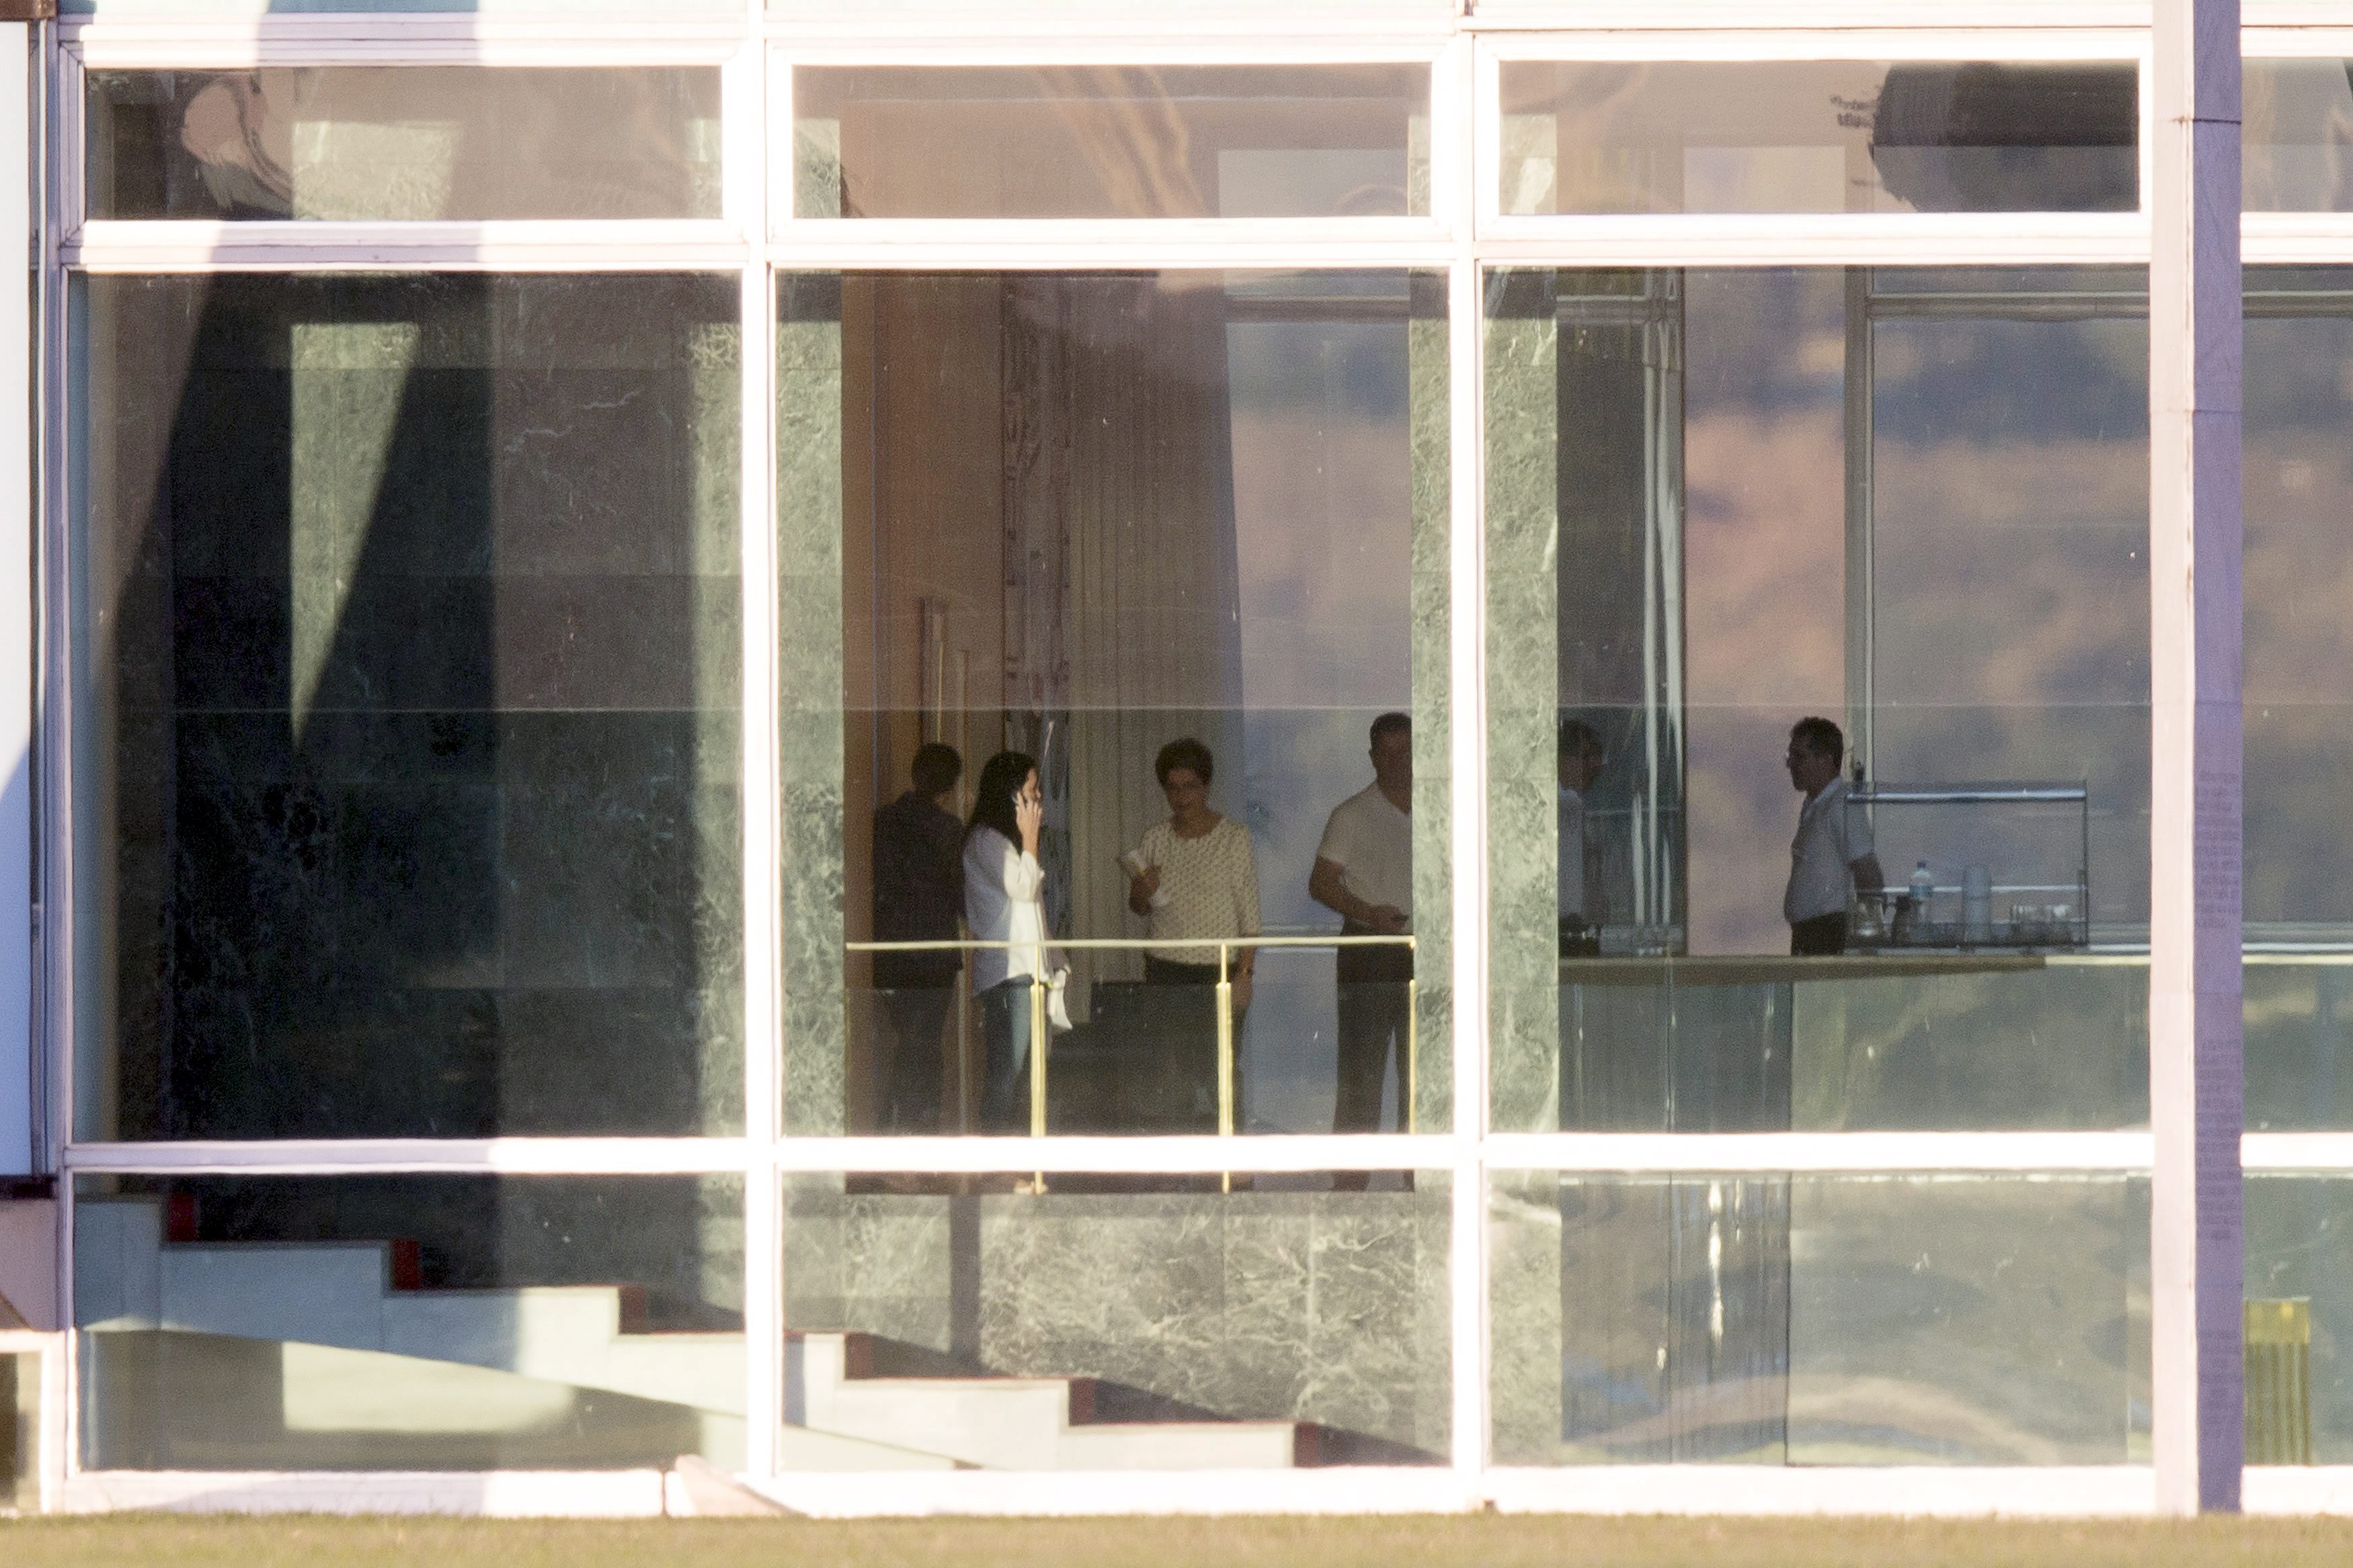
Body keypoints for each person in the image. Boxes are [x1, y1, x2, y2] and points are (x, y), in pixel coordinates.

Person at [1127, 737, 1262, 1128]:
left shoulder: (1233, 837)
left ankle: (1230, 1159)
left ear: (1206, 787)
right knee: (1174, 1070)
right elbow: (1138, 908)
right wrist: (1141, 890)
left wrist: (1245, 975)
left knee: (1221, 1068)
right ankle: (1183, 1162)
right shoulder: (1155, 837)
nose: (1181, 796)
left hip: (1219, 969)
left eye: (1190, 786)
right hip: (1166, 969)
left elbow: (1250, 916)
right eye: (1173, 787)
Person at [1310, 712, 1416, 1177]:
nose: (1396, 761)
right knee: (1360, 1073)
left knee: (1423, 1074)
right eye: (1386, 752)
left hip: (1428, 951)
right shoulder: (1350, 814)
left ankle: (1423, 1178)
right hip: (1369, 950)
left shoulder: (1446, 805)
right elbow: (1321, 883)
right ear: (1372, 757)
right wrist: (1368, 912)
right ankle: (1350, 1182)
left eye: (1405, 750)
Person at [869, 743, 964, 1132]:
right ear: (950, 788)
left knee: (906, 1041)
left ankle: (896, 1127)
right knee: (926, 1044)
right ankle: (917, 1130)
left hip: (890, 949)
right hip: (935, 952)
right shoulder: (949, 829)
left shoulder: (884, 820)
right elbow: (961, 895)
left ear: (914, 775)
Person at [964, 750, 1055, 1132]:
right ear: (1010, 795)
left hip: (1028, 969)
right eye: (1030, 792)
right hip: (1009, 973)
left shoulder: (1007, 843)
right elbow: (1023, 887)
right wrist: (1031, 838)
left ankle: (1019, 1161)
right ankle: (996, 1165)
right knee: (1008, 1069)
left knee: (1029, 1070)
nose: (1036, 802)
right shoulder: (988, 841)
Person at [1783, 716, 1884, 957]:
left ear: (1826, 760)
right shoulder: (1815, 805)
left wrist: (1864, 940)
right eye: (1790, 757)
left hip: (1828, 935)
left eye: (1800, 757)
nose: (1792, 766)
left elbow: (1867, 873)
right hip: (1810, 935)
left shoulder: (1841, 806)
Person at [1558, 718, 1604, 958]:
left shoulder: (1578, 807)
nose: (1594, 766)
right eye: (1585, 757)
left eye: (1597, 758)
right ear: (1562, 760)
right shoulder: (1565, 803)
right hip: (1564, 930)